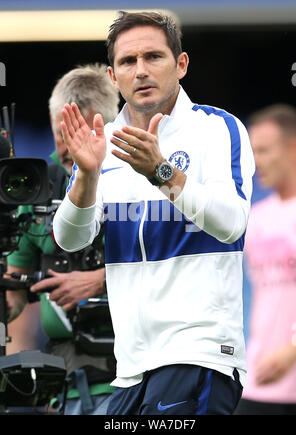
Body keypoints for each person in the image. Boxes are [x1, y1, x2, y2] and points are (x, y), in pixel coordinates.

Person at [53, 11, 255, 415]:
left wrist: (160, 173)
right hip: (130, 369)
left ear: (180, 65)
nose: (141, 71)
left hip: (199, 356)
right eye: (128, 61)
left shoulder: (218, 129)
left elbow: (232, 223)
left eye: (153, 57)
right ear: (113, 76)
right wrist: (87, 177)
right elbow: (69, 238)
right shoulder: (103, 142)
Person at [5, 63, 120, 415]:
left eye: (80, 133)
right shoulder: (36, 186)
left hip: (132, 378)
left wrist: (99, 280)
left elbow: (175, 268)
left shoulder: (139, 178)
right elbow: (15, 290)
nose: (70, 146)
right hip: (66, 380)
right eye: (61, 133)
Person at [234, 104, 296, 415]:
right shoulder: (256, 218)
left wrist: (293, 349)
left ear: (294, 147)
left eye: (263, 151)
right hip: (258, 381)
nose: (255, 162)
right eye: (252, 152)